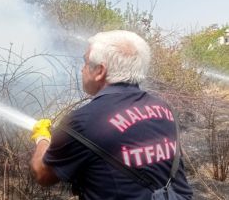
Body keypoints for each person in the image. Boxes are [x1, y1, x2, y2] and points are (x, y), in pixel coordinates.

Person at [30, 30, 193, 200]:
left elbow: (43, 174)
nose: (82, 69)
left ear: (100, 71)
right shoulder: (163, 108)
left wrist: (42, 137)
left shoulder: (83, 120)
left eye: (85, 62)